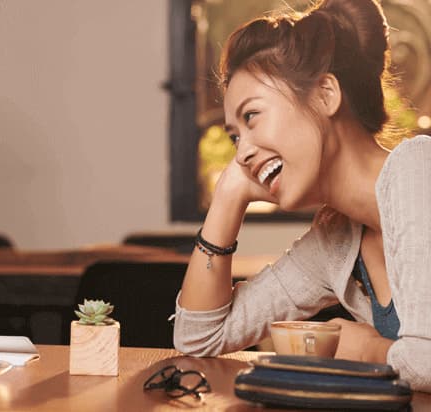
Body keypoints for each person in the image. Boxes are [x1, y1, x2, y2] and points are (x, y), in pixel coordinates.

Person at [172, 0, 430, 392]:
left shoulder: (418, 172)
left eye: (252, 116)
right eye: (234, 137)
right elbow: (199, 339)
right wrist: (229, 195)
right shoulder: (336, 241)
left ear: (326, 94)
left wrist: (368, 351)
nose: (241, 154)